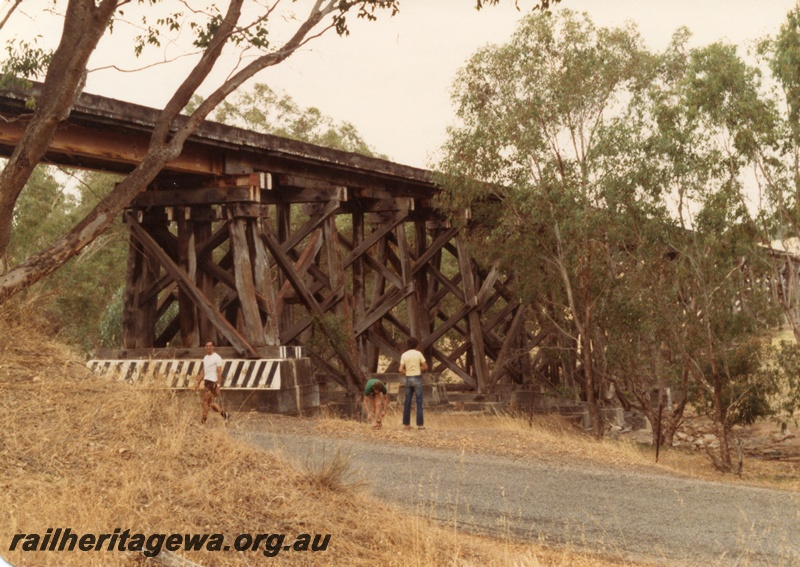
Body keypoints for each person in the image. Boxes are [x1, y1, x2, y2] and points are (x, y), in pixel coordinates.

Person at [193, 340, 230, 424]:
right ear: (205, 347)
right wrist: (198, 382)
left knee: (205, 402)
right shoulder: (206, 357)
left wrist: (218, 385)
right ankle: (224, 414)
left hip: (212, 381)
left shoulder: (217, 357)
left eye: (210, 345)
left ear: (213, 347)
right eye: (207, 346)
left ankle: (203, 422)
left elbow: (219, 372)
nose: (208, 347)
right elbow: (203, 371)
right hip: (206, 381)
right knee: (210, 403)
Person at [399, 337, 428, 430]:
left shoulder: (404, 355)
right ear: (416, 345)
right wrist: (418, 368)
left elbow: (400, 369)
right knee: (419, 401)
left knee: (407, 401)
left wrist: (406, 372)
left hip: (408, 378)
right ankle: (420, 425)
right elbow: (425, 366)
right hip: (417, 378)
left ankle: (406, 424)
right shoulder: (418, 354)